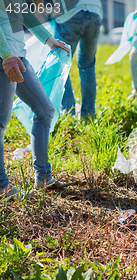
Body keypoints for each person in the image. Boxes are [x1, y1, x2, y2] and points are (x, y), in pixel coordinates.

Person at [0, 1, 70, 199]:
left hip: (19, 58)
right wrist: (6, 55)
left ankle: (44, 178)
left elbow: (22, 15)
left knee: (45, 110)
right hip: (5, 59)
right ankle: (2, 187)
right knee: (0, 122)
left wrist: (49, 40)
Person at [53, 0, 102, 119]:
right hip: (94, 12)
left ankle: (69, 115)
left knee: (61, 66)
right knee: (88, 66)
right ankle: (88, 116)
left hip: (69, 14)